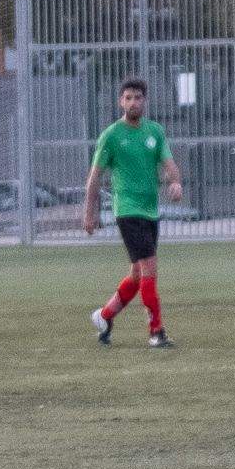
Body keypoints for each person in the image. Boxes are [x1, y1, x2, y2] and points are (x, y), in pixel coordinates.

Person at [83, 76, 184, 349]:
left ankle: (104, 317)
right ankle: (156, 332)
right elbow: (94, 177)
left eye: (137, 97)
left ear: (144, 101)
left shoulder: (155, 131)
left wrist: (175, 182)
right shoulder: (112, 135)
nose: (132, 102)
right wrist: (89, 213)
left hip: (150, 211)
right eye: (127, 97)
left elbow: (169, 163)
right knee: (150, 268)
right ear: (120, 101)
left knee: (138, 276)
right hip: (127, 211)